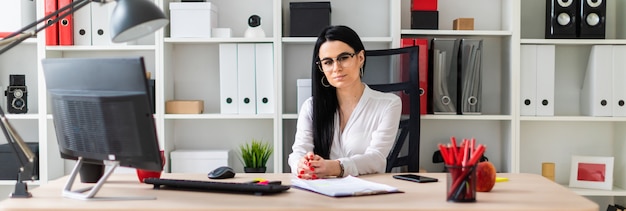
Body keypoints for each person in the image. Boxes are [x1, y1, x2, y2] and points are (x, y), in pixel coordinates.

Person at [288, 25, 402, 179]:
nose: (336, 68)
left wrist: (335, 167)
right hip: (321, 193)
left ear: (360, 58)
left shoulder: (389, 104)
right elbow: (299, 152)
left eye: (343, 58)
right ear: (321, 67)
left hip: (367, 195)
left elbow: (377, 158)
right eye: (328, 62)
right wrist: (301, 164)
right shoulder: (311, 107)